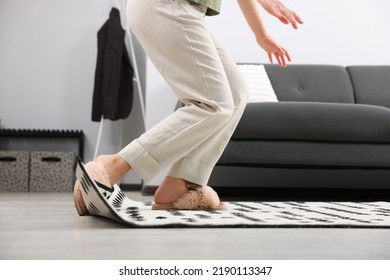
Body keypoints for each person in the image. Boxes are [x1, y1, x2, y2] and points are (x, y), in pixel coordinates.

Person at [74, 0, 303, 215]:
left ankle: (181, 184)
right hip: (169, 6)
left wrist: (261, 35)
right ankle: (113, 165)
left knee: (235, 94)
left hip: (183, 9)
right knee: (214, 103)